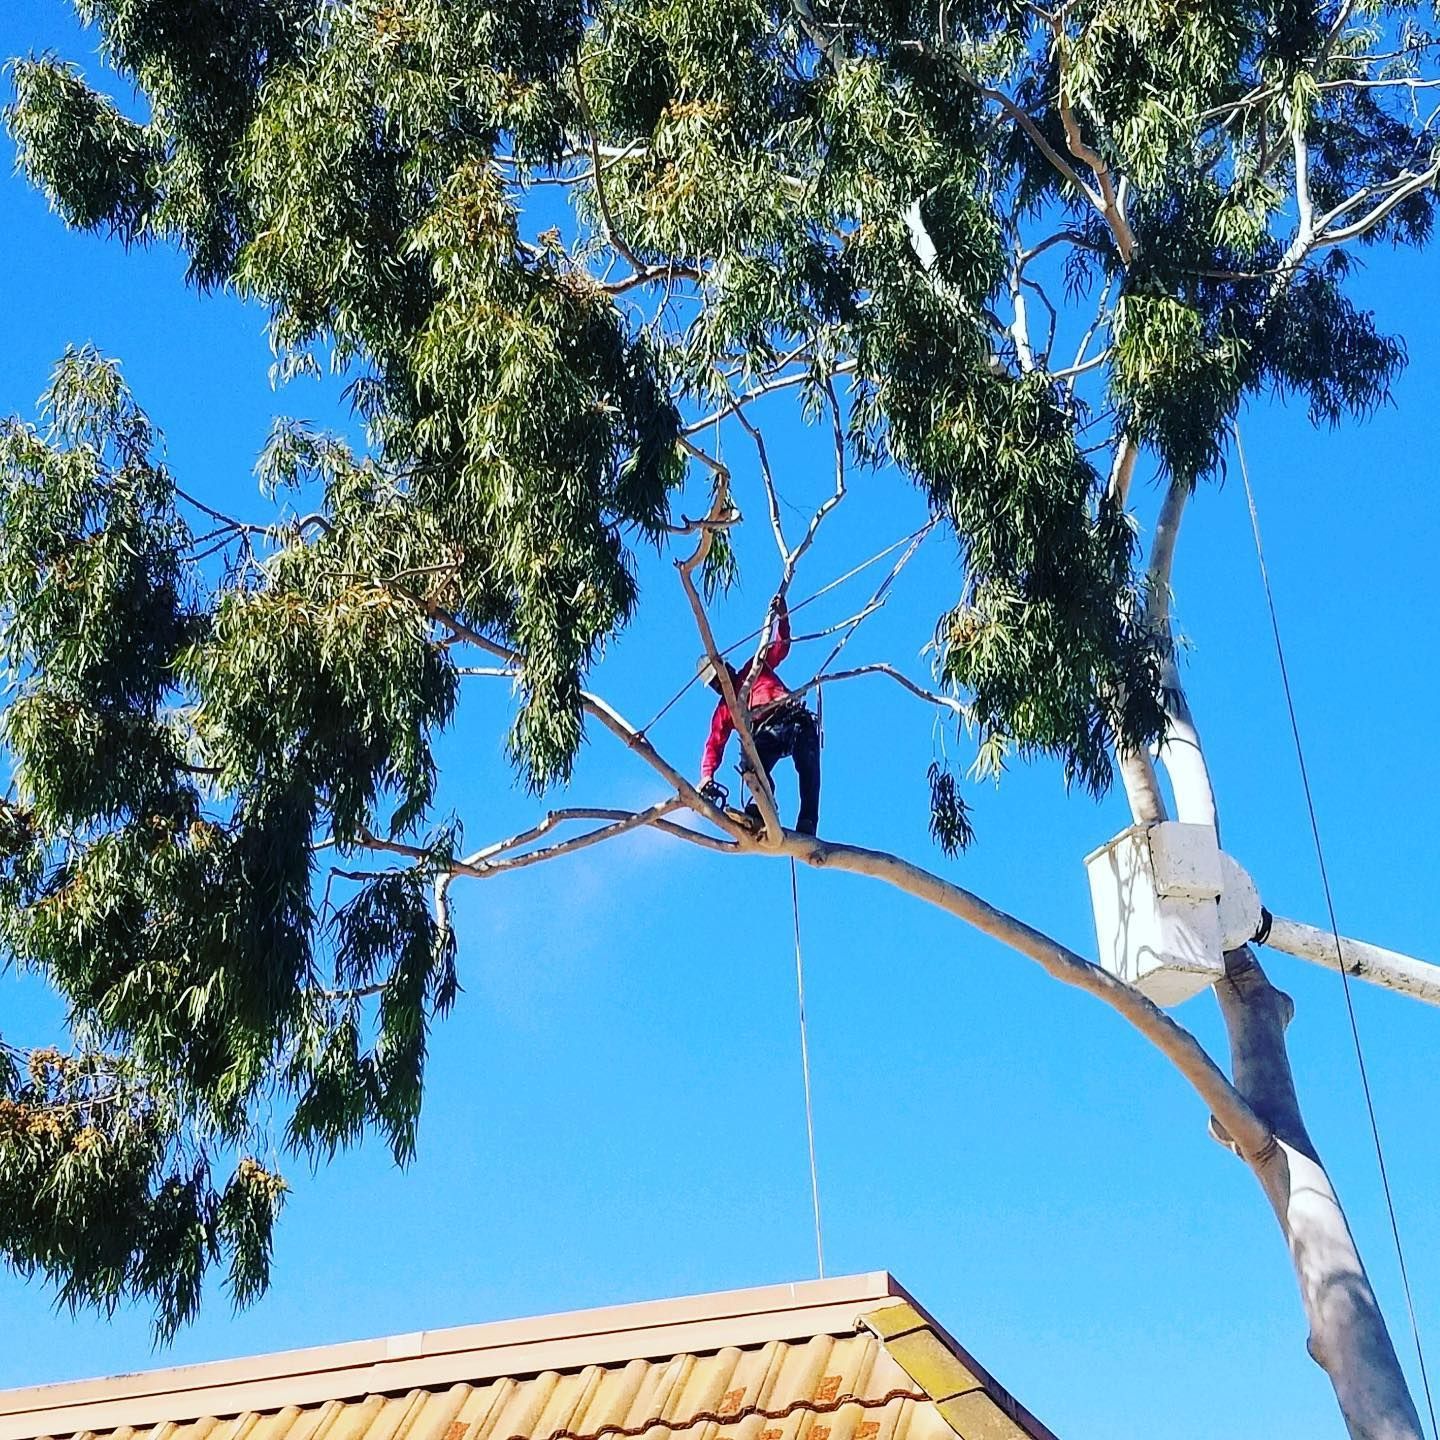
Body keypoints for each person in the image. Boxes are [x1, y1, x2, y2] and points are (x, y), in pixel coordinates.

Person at [696, 595, 820, 836]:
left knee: (808, 767)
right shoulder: (725, 709)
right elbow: (714, 743)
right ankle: (762, 810)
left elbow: (780, 646)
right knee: (752, 764)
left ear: (727, 667)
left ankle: (807, 823)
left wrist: (782, 616)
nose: (719, 686)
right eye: (714, 685)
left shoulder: (754, 667)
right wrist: (706, 776)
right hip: (766, 735)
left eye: (718, 678)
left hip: (793, 719)